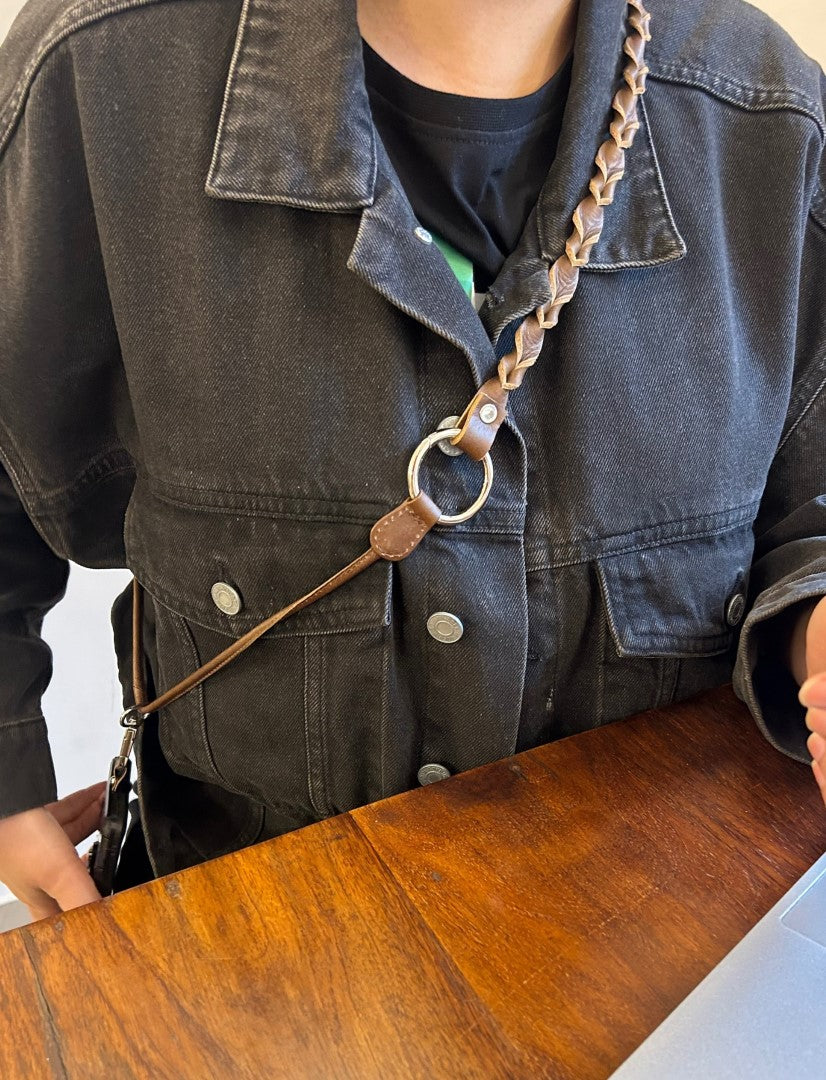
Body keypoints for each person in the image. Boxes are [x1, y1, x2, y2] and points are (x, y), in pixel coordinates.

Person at [0, 0, 824, 923]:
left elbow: (810, 507)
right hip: (244, 949)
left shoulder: (774, 121)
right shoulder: (95, 76)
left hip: (666, 960)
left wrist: (816, 630)